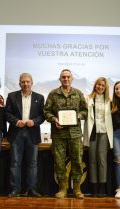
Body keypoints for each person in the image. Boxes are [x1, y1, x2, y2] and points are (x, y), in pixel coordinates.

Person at [44, 69, 87, 199]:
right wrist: (54, 119)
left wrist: (77, 116)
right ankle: (62, 189)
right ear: (60, 79)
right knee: (59, 162)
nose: (66, 79)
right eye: (63, 77)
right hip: (59, 134)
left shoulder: (78, 93)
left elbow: (85, 111)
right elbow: (46, 111)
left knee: (77, 161)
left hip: (75, 134)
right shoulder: (53, 94)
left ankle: (77, 189)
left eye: (68, 77)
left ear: (72, 79)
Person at [5, 73, 45, 197]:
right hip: (16, 132)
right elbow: (6, 113)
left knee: (32, 163)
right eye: (23, 82)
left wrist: (34, 122)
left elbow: (42, 115)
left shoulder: (40, 97)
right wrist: (16, 122)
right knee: (15, 162)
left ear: (32, 83)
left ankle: (32, 189)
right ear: (19, 83)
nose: (25, 84)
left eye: (28, 81)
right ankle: (15, 189)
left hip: (32, 133)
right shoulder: (12, 96)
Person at [83, 77, 113, 197]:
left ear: (105, 88)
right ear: (95, 85)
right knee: (92, 159)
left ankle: (102, 188)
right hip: (92, 132)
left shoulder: (109, 100)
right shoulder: (88, 99)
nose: (100, 87)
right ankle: (94, 188)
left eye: (102, 86)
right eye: (98, 85)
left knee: (102, 159)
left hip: (104, 132)